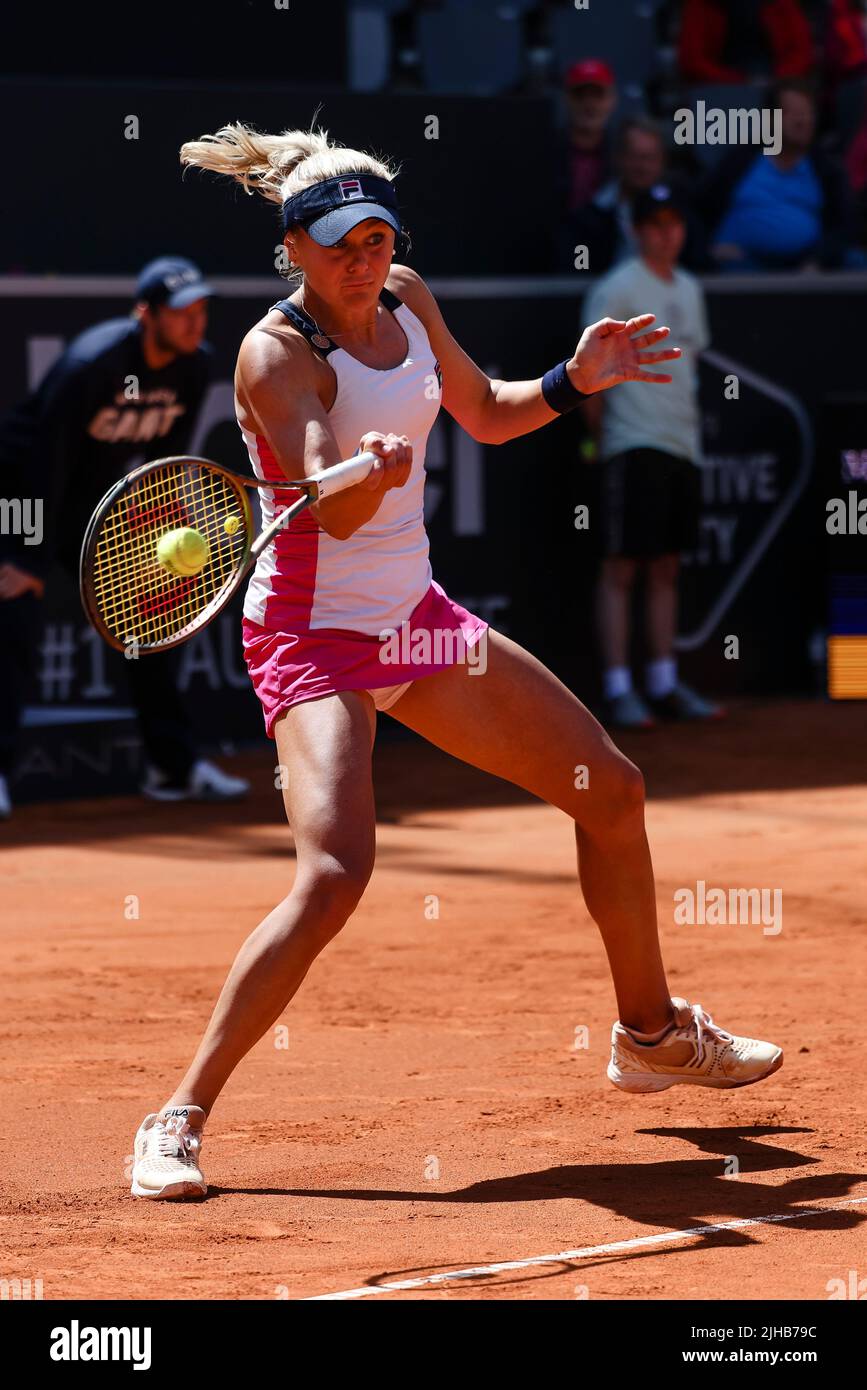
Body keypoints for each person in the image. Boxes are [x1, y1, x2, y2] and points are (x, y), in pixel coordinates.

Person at [128, 126, 782, 1201]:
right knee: (337, 873)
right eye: (341, 243)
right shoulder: (274, 355)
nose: (365, 259)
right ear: (295, 247)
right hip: (312, 630)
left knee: (610, 789)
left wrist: (575, 378)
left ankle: (651, 1032)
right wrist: (360, 473)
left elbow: (483, 411)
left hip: (414, 619)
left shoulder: (407, 298)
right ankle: (177, 1117)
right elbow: (328, 510)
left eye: (380, 238)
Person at [0, 258, 250, 816]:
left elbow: (166, 461)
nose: (195, 323)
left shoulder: (194, 365)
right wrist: (29, 558)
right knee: (13, 614)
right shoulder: (94, 364)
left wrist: (163, 527)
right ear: (146, 314)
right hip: (21, 492)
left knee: (148, 618)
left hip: (95, 498)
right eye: (182, 313)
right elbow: (44, 462)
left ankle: (173, 767)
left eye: (202, 311)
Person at [582, 184, 722, 730]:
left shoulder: (690, 288)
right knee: (621, 569)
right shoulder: (616, 289)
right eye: (655, 224)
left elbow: (689, 368)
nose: (667, 234)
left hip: (682, 445)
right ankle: (620, 690)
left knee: (666, 566)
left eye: (675, 223)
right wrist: (595, 444)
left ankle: (663, 681)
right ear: (636, 231)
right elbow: (585, 377)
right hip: (630, 443)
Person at [702, 79, 857, 271]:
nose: (803, 121)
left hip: (807, 263)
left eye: (808, 113)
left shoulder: (826, 168)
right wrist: (708, 248)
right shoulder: (739, 160)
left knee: (856, 262)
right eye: (792, 113)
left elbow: (841, 226)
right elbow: (699, 208)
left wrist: (819, 260)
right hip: (741, 260)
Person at [678, 0, 813, 84]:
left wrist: (778, 80)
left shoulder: (780, 3)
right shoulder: (702, 5)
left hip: (776, 82)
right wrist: (737, 81)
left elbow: (802, 52)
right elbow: (692, 60)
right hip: (719, 86)